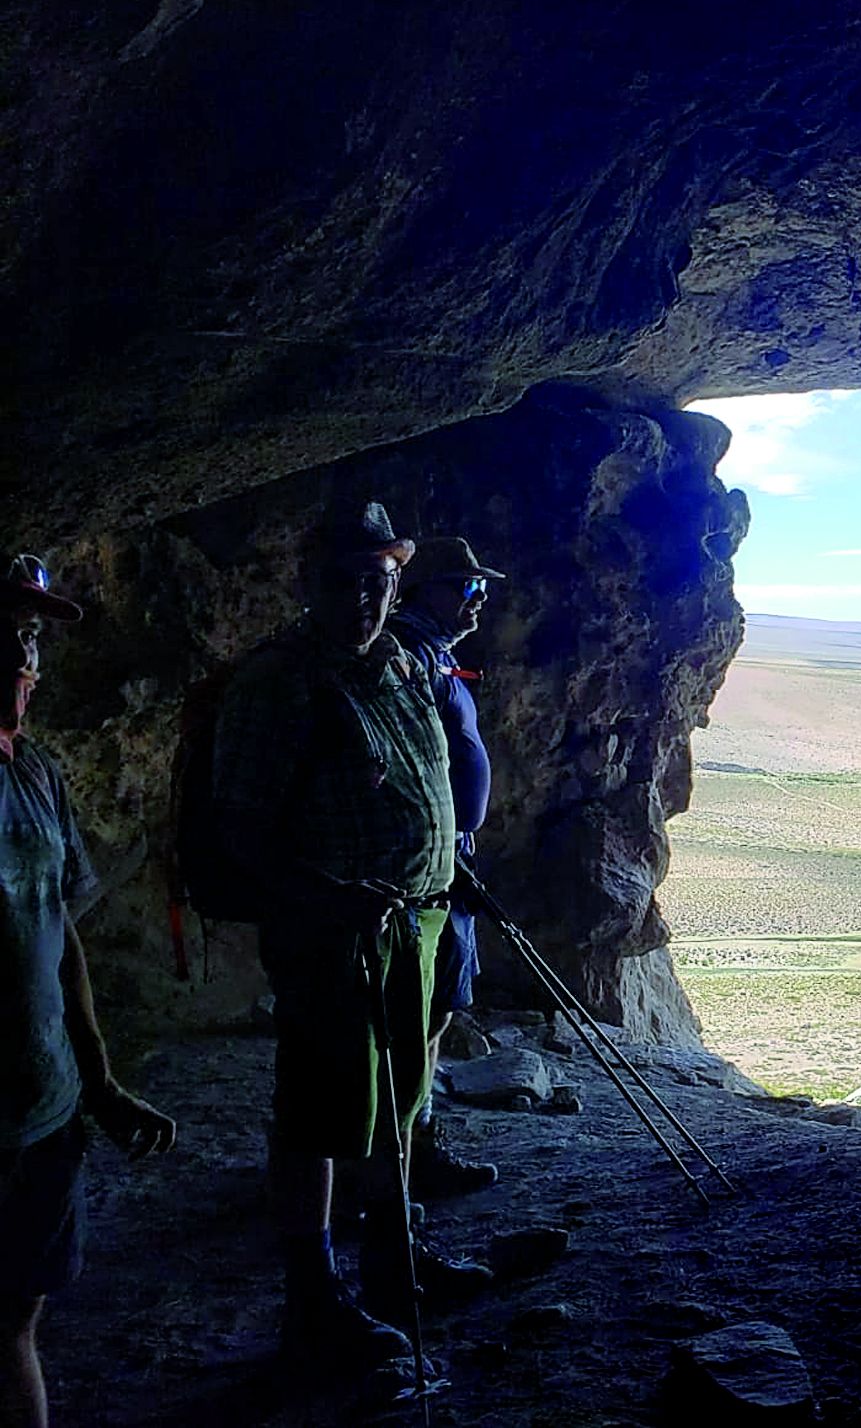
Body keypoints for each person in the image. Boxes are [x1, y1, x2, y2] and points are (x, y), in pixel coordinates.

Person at [209, 503, 488, 1370]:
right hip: (332, 935)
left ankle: (393, 1259)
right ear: (308, 582)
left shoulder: (400, 661)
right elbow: (238, 832)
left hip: (414, 920)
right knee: (319, 1116)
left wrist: (443, 866)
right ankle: (314, 1300)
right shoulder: (278, 684)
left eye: (380, 580)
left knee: (398, 1103)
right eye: (344, 581)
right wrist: (326, 898)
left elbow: (425, 779)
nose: (364, 598)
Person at [3, 553, 176, 1428]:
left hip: (44, 1108)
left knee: (14, 1318)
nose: (19, 659)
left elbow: (59, 927)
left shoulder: (34, 771)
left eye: (29, 638)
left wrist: (98, 1082)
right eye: (0, 636)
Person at [390, 538, 505, 1199]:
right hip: (426, 867)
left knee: (434, 1011)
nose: (478, 599)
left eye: (480, 587)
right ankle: (399, 1160)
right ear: (424, 590)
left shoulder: (433, 656)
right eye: (465, 587)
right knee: (418, 1012)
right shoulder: (406, 658)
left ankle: (416, 1143)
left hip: (449, 856)